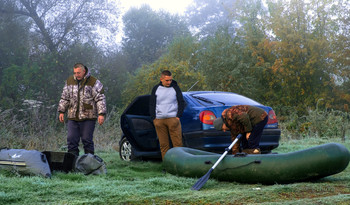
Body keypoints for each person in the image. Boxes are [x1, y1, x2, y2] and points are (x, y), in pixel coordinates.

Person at [58, 63, 106, 156]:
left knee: (86, 140)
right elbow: (64, 97)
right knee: (71, 140)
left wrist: (101, 114)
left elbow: (100, 99)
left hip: (88, 117)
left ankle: (89, 163)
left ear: (84, 71)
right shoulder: (69, 81)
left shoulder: (94, 82)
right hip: (72, 116)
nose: (76, 75)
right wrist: (61, 111)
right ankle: (72, 163)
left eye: (78, 73)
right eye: (75, 73)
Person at [149, 70, 186, 160]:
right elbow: (152, 104)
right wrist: (154, 118)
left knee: (178, 145)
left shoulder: (175, 88)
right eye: (167, 80)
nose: (169, 82)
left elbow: (181, 102)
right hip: (159, 120)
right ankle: (167, 166)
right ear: (161, 79)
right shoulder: (156, 88)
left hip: (173, 119)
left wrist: (178, 116)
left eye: (170, 80)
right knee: (164, 145)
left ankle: (178, 165)